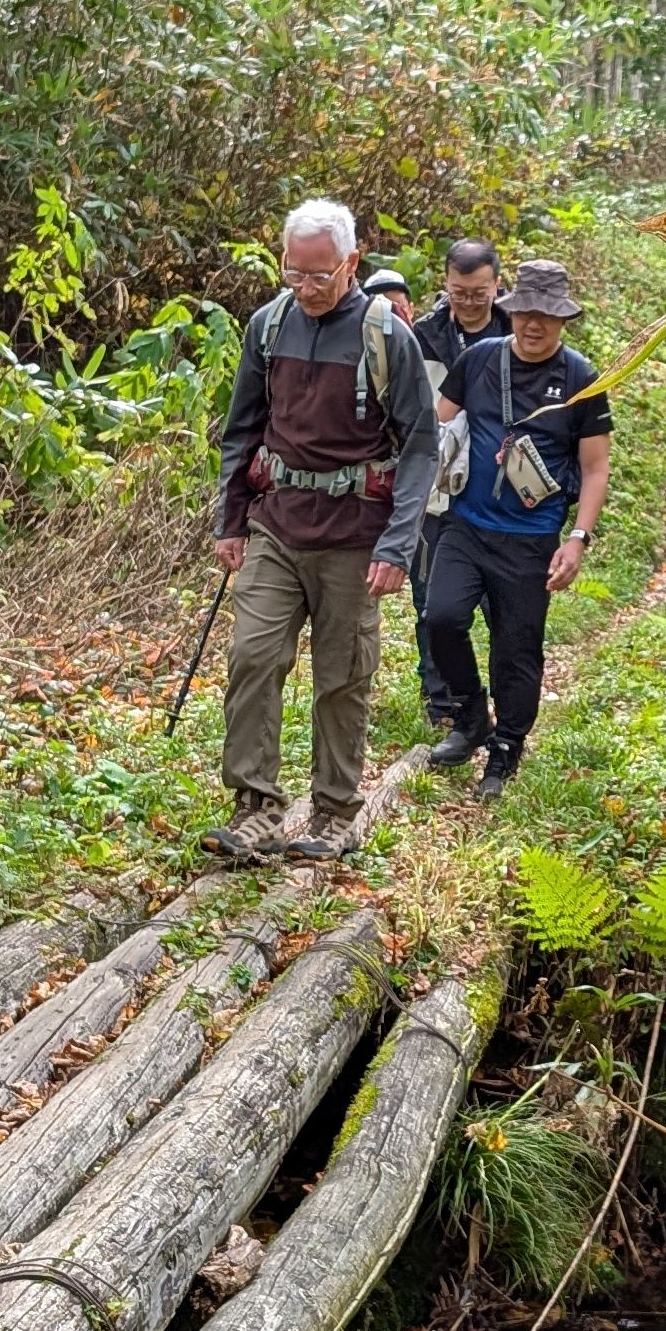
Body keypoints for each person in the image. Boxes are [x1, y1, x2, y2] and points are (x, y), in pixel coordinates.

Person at [208, 198, 436, 863]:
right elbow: (242, 428)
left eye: (319, 276)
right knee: (252, 657)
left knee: (342, 676)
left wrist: (397, 546)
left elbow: (421, 446)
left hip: (354, 537)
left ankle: (336, 810)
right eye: (293, 273)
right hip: (276, 526)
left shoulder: (386, 335)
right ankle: (255, 807)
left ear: (352, 263)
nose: (304, 289)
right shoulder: (269, 325)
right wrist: (231, 521)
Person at [424, 257, 612, 804]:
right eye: (526, 312)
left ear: (564, 320)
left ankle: (507, 745)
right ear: (512, 310)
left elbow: (596, 467)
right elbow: (435, 423)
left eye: (547, 317)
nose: (534, 325)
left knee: (517, 646)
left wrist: (577, 539)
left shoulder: (581, 379)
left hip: (531, 537)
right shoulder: (478, 361)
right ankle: (470, 715)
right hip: (465, 523)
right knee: (441, 617)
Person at [409, 237, 505, 743]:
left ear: (497, 286)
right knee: (431, 599)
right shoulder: (422, 337)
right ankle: (443, 703)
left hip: (498, 490)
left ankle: (503, 703)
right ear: (445, 286)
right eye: (459, 292)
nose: (468, 302)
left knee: (499, 605)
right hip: (434, 489)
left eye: (479, 293)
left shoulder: (518, 332)